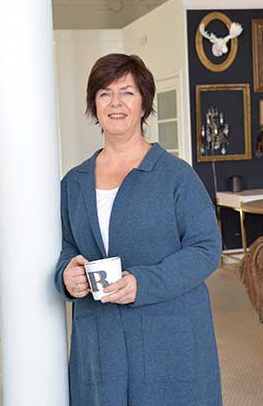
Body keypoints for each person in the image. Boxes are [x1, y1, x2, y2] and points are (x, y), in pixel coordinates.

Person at [54, 53, 222, 405]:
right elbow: (66, 245)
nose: (115, 102)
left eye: (127, 92)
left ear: (144, 104)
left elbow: (206, 249)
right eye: (105, 93)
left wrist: (142, 283)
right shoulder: (74, 183)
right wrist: (66, 275)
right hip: (100, 336)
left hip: (168, 333)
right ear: (94, 105)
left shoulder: (177, 176)